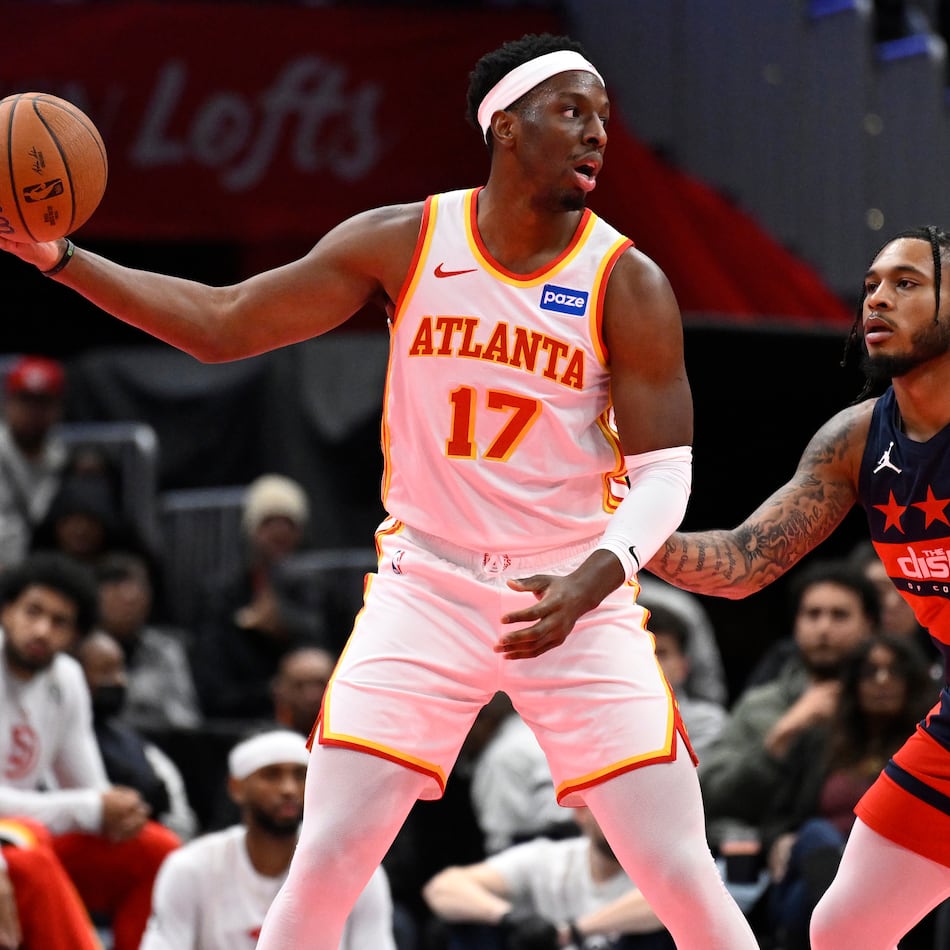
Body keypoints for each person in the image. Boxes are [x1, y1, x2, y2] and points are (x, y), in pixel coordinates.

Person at [0, 33, 758, 949]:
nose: (598, 132)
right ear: (505, 128)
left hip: (572, 591)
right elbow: (222, 324)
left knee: (680, 870)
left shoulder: (625, 281)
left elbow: (664, 477)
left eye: (605, 115)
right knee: (325, 863)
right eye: (572, 110)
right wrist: (64, 260)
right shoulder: (407, 241)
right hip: (428, 587)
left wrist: (591, 580)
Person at [646, 225, 950, 946]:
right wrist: (616, 537)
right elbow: (745, 560)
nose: (877, 299)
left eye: (907, 283)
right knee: (844, 928)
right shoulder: (854, 441)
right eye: (872, 284)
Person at [0, 551, 180, 950]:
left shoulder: (67, 678)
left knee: (155, 848)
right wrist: (91, 807)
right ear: (6, 610)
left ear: (75, 637)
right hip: (15, 841)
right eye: (32, 611)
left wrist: (117, 810)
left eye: (59, 622)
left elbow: (91, 791)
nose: (42, 630)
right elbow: (84, 805)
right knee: (30, 850)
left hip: (24, 835)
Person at [140, 729, 396, 950]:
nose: (288, 789)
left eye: (300, 775)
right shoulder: (190, 867)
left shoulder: (358, 871)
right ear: (236, 788)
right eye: (271, 775)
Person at [759, 634, 933, 950]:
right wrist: (778, 842)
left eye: (894, 672)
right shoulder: (816, 742)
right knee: (814, 834)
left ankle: (840, 915)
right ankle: (842, 913)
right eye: (870, 672)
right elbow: (775, 818)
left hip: (888, 879)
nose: (882, 681)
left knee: (808, 886)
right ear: (852, 683)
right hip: (812, 859)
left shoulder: (928, 751)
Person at [697, 559, 879, 839]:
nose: (824, 628)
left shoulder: (896, 701)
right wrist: (781, 737)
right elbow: (710, 799)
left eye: (839, 615)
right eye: (813, 614)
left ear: (869, 625)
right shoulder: (761, 706)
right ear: (796, 624)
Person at [423, 805, 674, 950]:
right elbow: (443, 888)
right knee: (463, 924)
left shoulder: (662, 866)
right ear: (581, 813)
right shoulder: (548, 857)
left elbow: (670, 902)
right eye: (611, 809)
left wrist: (572, 932)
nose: (623, 821)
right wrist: (509, 919)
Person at [195, 473, 331, 721]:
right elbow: (213, 688)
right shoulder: (223, 595)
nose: (279, 531)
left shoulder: (322, 591)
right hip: (248, 718)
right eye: (269, 522)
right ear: (251, 529)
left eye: (288, 523)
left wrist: (286, 626)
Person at [76, 629, 199, 841]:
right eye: (106, 671)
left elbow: (177, 813)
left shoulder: (134, 743)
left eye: (120, 670)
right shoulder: (54, 736)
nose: (118, 680)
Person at [95, 550, 202, 734]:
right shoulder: (80, 649)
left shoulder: (166, 649)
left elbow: (186, 723)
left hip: (157, 749)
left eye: (140, 586)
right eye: (117, 584)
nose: (130, 595)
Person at [0, 355, 68, 573]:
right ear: (8, 402)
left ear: (58, 407)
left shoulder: (65, 461)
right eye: (25, 400)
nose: (33, 412)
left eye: (43, 402)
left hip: (40, 577)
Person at [640, 602, 727, 756]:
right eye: (641, 652)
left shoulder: (708, 723)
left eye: (661, 653)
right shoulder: (603, 717)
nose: (651, 661)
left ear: (683, 666)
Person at [270, 644, 335, 736]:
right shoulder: (266, 739)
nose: (311, 696)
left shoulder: (353, 733)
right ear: (280, 690)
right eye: (299, 685)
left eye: (320, 684)